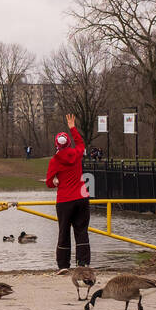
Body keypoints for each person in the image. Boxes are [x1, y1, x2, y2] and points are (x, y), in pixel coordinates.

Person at [45, 114, 90, 271]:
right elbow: (81, 143)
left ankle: (63, 265)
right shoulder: (77, 154)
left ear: (56, 145)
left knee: (64, 232)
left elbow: (49, 182)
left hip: (65, 200)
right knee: (82, 231)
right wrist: (72, 127)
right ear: (69, 143)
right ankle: (83, 263)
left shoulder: (55, 161)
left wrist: (57, 180)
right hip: (82, 198)